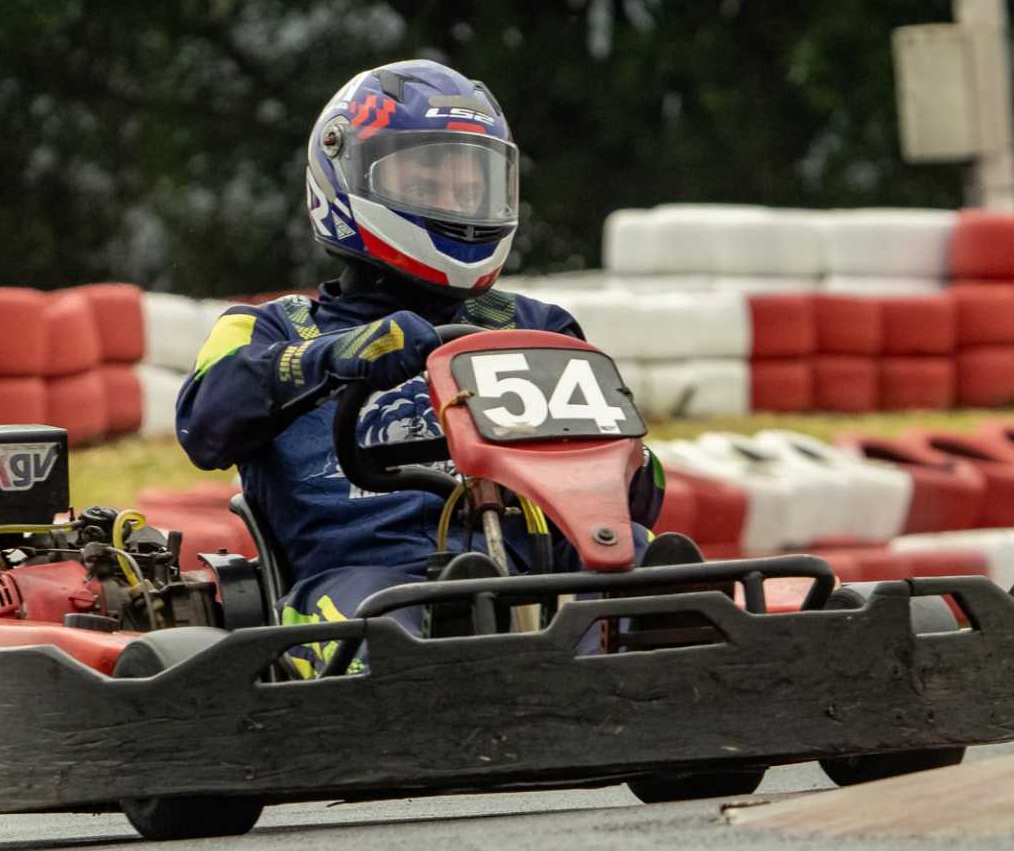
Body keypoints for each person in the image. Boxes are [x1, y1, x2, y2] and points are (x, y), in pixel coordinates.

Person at [176, 59, 666, 673]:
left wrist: (623, 468)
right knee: (389, 628)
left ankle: (649, 660)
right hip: (363, 575)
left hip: (542, 569)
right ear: (345, 176)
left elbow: (636, 495)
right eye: (428, 182)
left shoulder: (536, 326)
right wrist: (338, 357)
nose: (455, 202)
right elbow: (204, 423)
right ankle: (446, 645)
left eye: (469, 185)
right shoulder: (274, 328)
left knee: (642, 559)